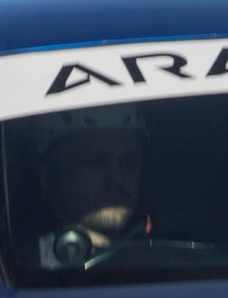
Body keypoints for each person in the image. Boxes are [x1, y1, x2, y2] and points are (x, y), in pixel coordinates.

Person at [36, 107, 146, 268]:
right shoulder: (22, 270)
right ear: (47, 175)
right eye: (96, 162)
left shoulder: (167, 263)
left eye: (128, 162)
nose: (117, 178)